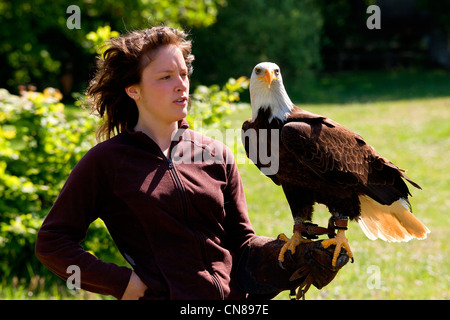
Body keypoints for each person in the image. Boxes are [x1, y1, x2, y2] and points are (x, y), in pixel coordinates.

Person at [35, 26, 347, 300]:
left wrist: (281, 258)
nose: (181, 85)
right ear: (134, 90)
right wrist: (122, 283)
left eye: (183, 74)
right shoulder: (107, 162)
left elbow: (241, 242)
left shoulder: (215, 153)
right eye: (165, 77)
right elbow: (52, 241)